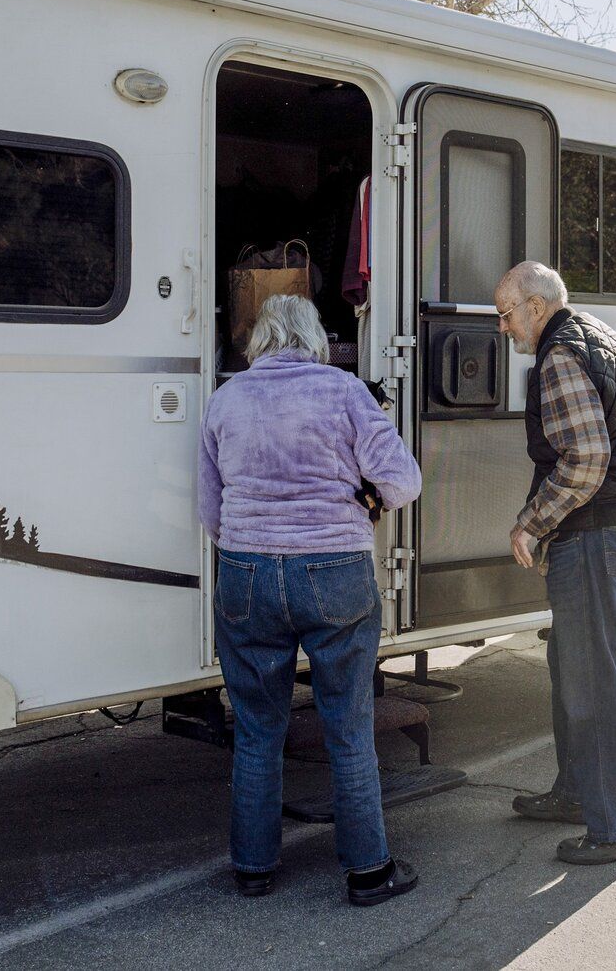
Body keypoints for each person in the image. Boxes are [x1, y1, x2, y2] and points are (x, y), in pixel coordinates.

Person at [197, 294, 423, 904]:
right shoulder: (344, 392)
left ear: (259, 340)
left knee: (257, 728)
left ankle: (252, 869)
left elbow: (210, 513)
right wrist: (365, 499)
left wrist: (255, 540)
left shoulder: (226, 399)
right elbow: (403, 483)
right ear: (315, 337)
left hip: (245, 572)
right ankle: (369, 872)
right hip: (334, 571)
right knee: (347, 727)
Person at [495, 261, 616, 866]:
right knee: (575, 661)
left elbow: (587, 459)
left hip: (596, 529)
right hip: (615, 522)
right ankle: (576, 793)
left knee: (593, 674)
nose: (505, 328)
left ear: (537, 306)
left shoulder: (561, 355)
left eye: (507, 314)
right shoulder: (601, 334)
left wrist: (533, 522)